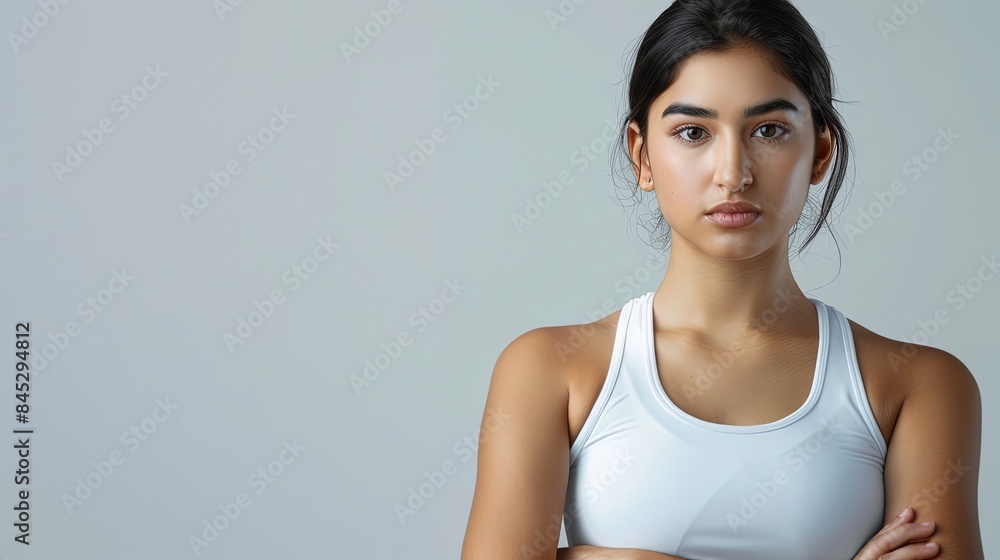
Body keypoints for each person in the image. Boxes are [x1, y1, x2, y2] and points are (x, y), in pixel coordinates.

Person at [460, 1, 984, 559]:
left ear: (820, 152)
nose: (733, 174)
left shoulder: (919, 386)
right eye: (692, 132)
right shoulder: (548, 371)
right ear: (642, 156)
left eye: (769, 130)